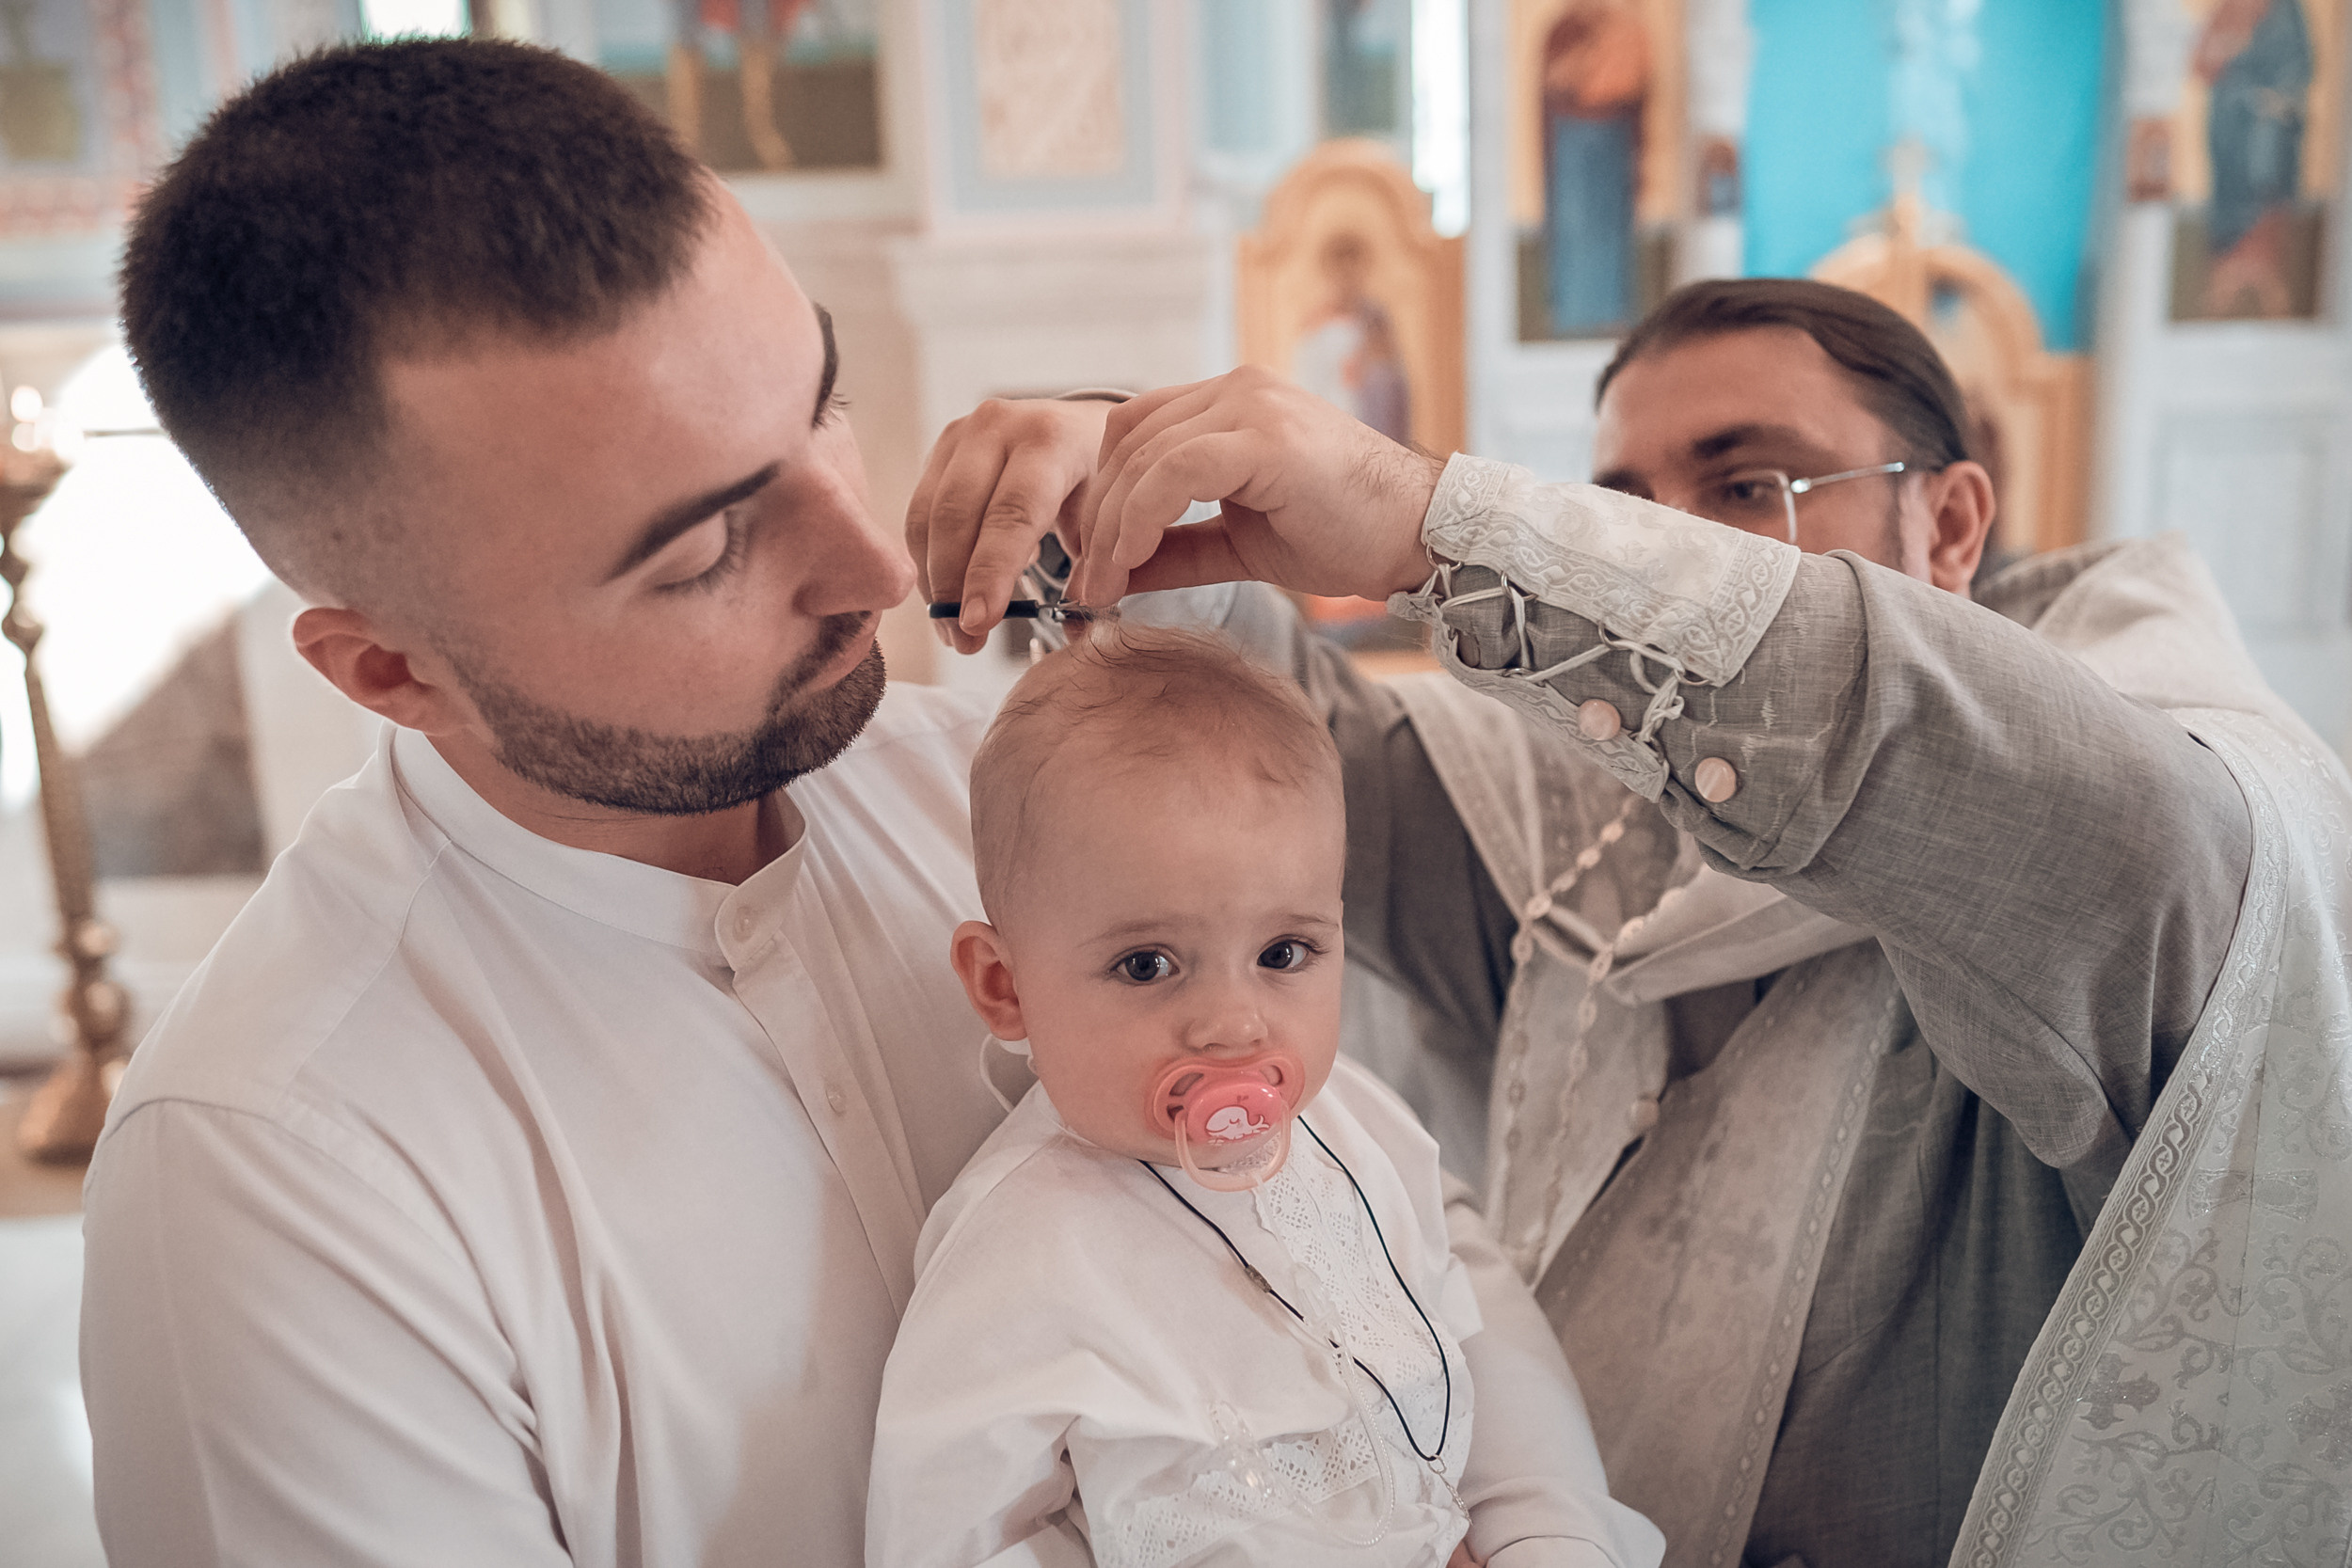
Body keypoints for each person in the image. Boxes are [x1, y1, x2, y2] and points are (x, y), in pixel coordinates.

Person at [79, 38, 1625, 1568]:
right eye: (699, 554)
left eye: (820, 402)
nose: (876, 568)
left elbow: (1390, 1215)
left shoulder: (1017, 797)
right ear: (388, 667)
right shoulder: (275, 1181)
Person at [912, 280, 2352, 1567]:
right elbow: (1246, 789)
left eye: (1746, 486)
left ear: (1954, 520)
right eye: (1621, 499)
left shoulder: (2154, 778)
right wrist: (1115, 471)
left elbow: (2101, 831)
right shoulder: (1582, 821)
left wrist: (1434, 527)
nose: (1660, 542)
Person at [866, 623, 1660, 1568]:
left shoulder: (1356, 1127)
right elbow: (949, 1535)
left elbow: (1468, 1351)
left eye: (1284, 953)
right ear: (1006, 986)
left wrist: (1541, 1535)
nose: (1233, 1025)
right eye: (1147, 963)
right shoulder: (1018, 1256)